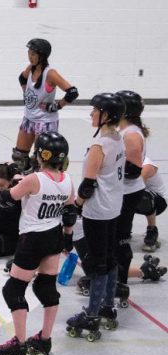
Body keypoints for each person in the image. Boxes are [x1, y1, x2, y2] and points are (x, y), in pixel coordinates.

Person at [0, 131, 75, 355]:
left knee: (14, 289)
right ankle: (44, 340)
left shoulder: (34, 179)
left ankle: (18, 342)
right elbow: (69, 214)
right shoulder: (68, 180)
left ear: (40, 155)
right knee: (46, 287)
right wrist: (68, 240)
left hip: (32, 240)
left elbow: (7, 200)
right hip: (54, 237)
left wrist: (14, 184)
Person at [66, 93, 125, 338]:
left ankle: (91, 316)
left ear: (106, 115)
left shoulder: (100, 146)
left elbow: (87, 186)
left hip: (97, 212)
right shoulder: (118, 138)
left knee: (99, 263)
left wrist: (76, 206)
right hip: (113, 208)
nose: (91, 114)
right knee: (110, 258)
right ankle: (108, 307)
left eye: (95, 110)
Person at [11, 38, 78, 174]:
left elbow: (72, 92)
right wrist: (26, 92)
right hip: (29, 119)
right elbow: (22, 78)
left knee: (40, 161)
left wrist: (57, 106)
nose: (30, 56)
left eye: (33, 54)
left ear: (42, 56)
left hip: (45, 121)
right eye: (29, 53)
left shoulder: (50, 73)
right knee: (19, 158)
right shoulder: (30, 69)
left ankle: (40, 189)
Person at [115, 90, 148, 298]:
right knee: (117, 238)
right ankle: (116, 280)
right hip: (124, 191)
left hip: (127, 193)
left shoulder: (131, 134)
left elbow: (133, 170)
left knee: (120, 239)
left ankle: (120, 282)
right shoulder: (128, 130)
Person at [137, 156, 167, 251]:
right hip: (136, 198)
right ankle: (122, 230)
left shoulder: (146, 165)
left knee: (142, 198)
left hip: (158, 202)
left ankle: (152, 230)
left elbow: (136, 189)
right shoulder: (121, 160)